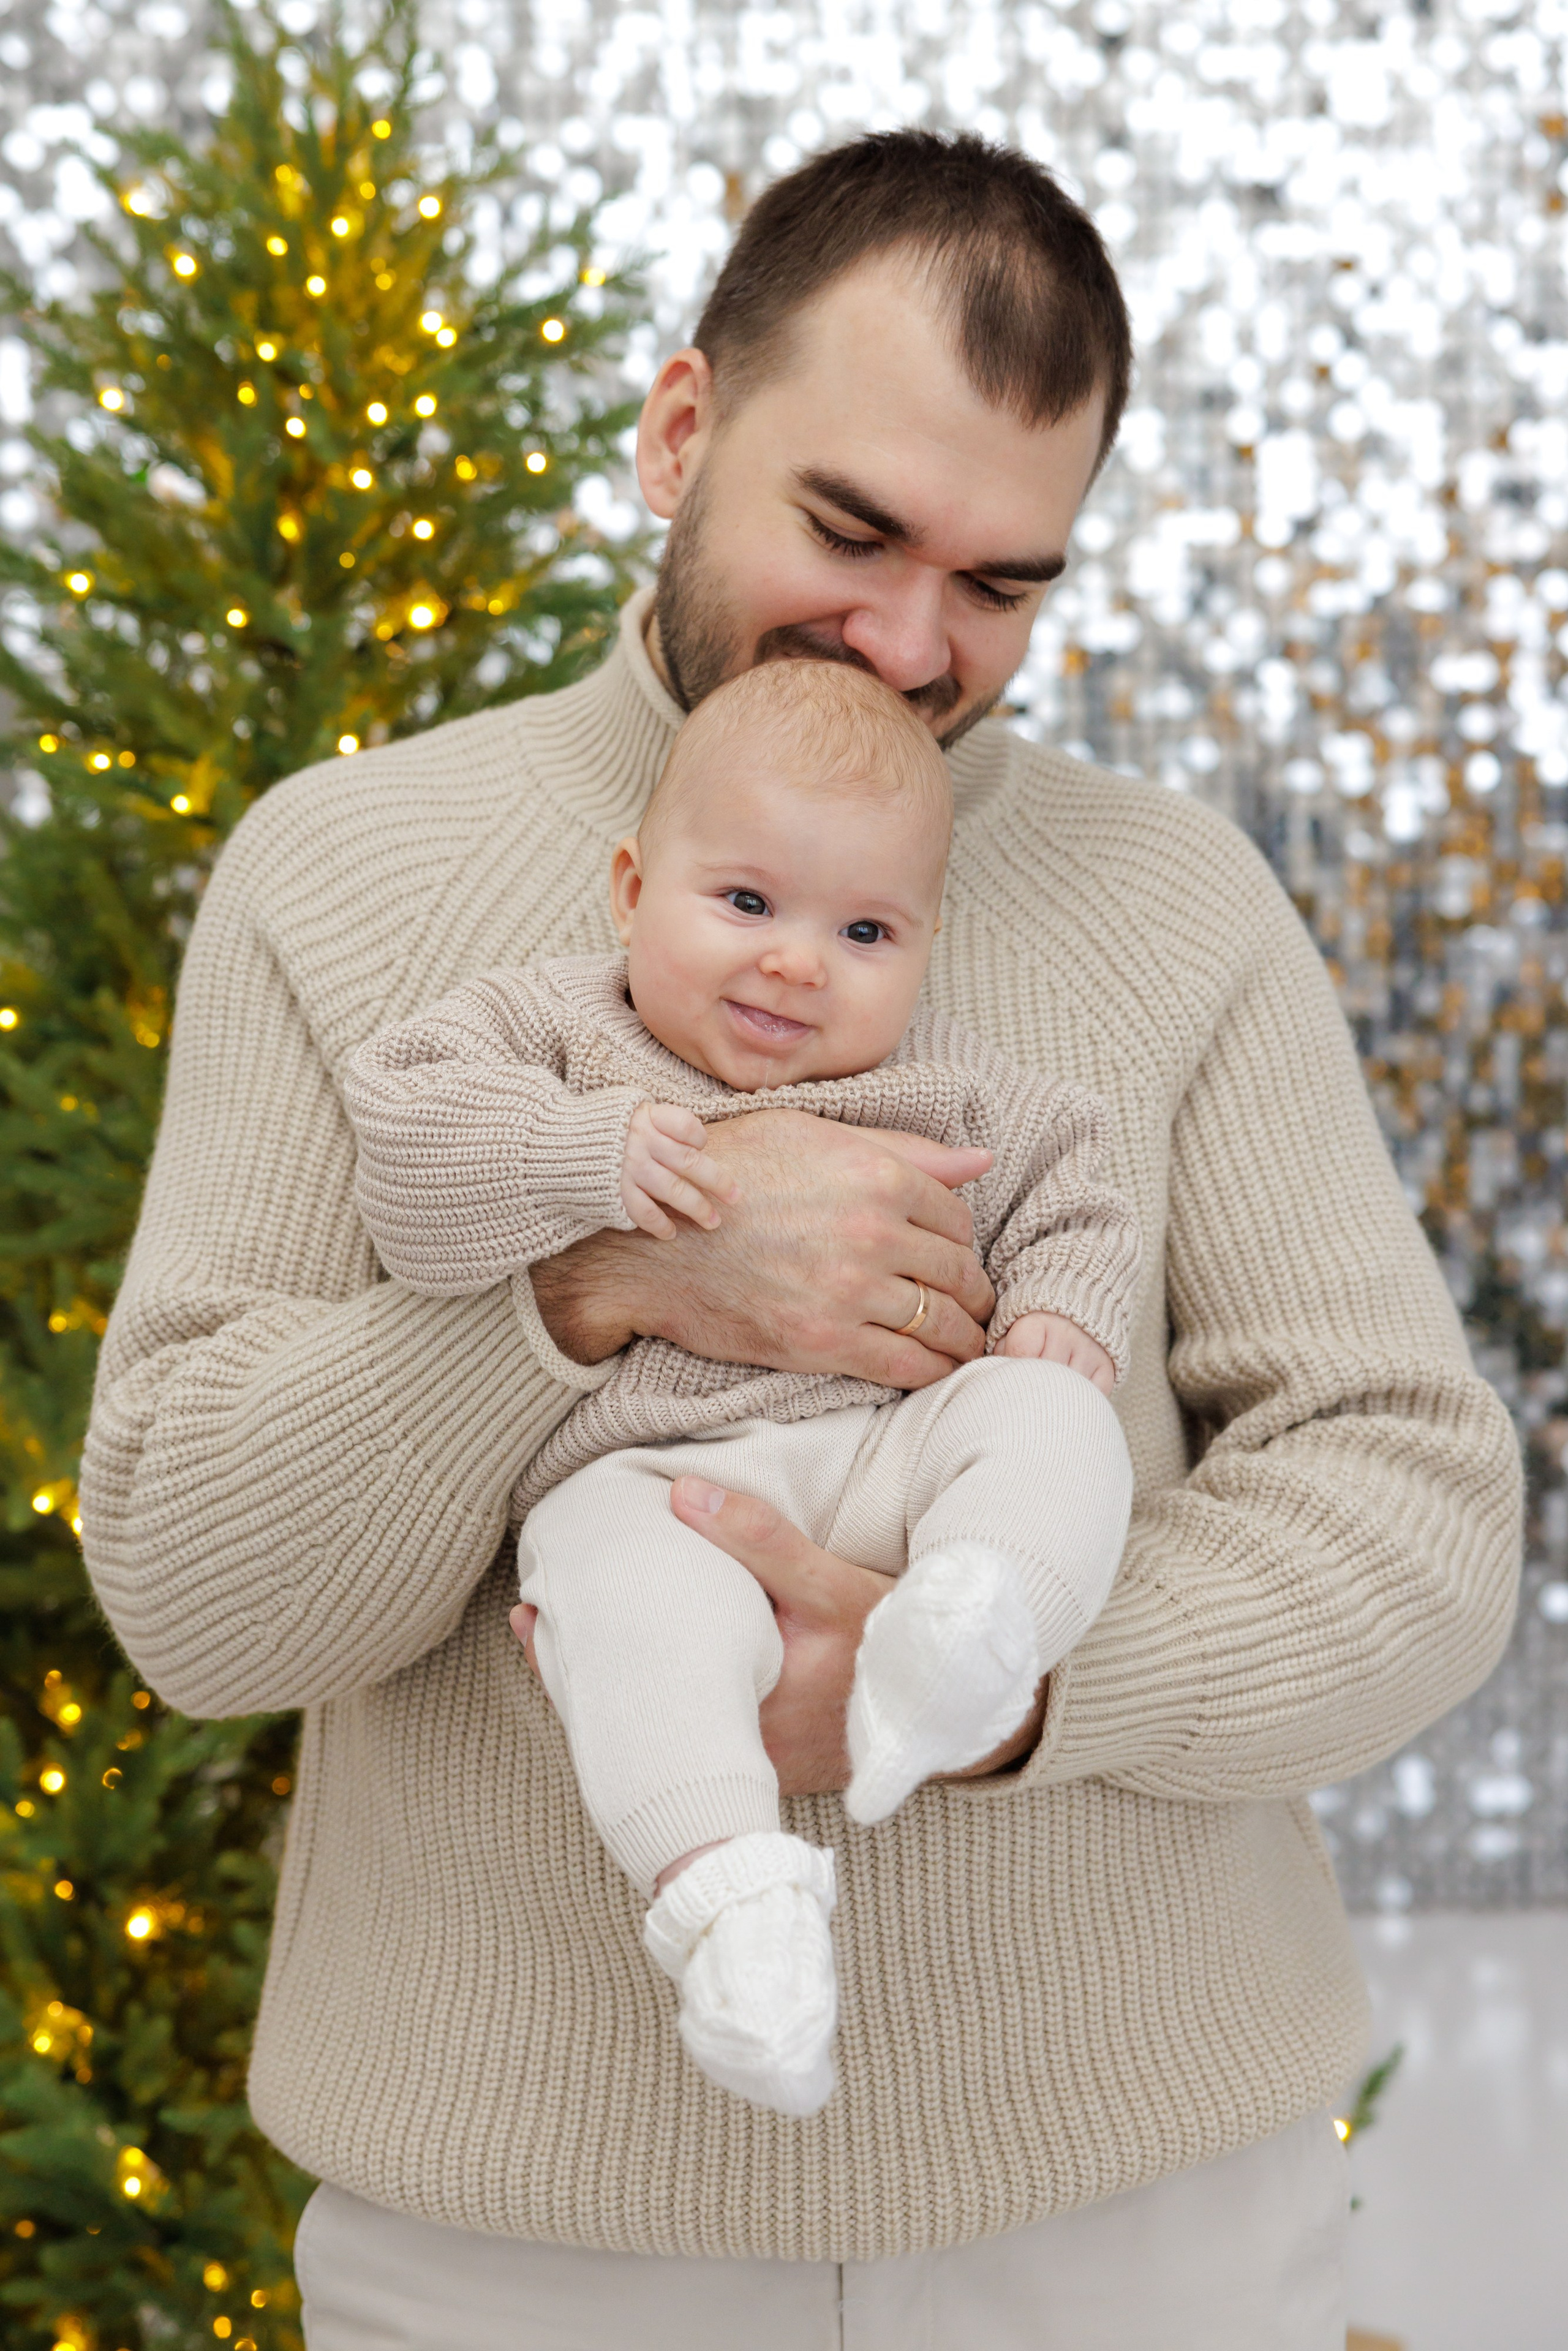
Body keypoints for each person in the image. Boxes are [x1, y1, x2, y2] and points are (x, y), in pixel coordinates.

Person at [79, 130, 1521, 2349]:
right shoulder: (344, 873)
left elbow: (1419, 1503)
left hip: (1141, 2208)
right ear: (681, 429)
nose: (915, 641)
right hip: (527, 2240)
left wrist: (1024, 1682)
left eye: (1005, 581)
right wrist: (598, 1284)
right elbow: (196, 1589)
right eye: (849, 529)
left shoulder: (1173, 904)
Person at [341, 657, 1140, 2118]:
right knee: (613, 1593)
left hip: (894, 1456)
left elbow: (1080, 1194)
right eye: (746, 904)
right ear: (630, 883)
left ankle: (978, 1619)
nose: (794, 964)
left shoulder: (953, 1087)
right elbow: (404, 1149)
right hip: (662, 1477)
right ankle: (727, 1901)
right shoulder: (553, 1035)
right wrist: (585, 1164)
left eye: (863, 929)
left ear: (924, 944)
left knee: (1048, 1416)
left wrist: (1061, 1320)